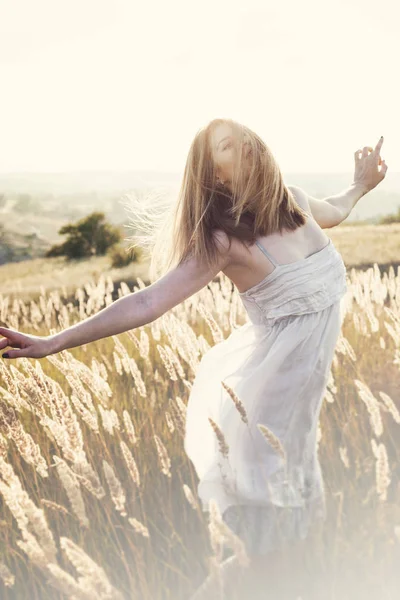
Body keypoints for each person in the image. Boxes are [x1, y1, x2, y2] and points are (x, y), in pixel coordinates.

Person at [0, 119, 387, 599]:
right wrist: (52, 341)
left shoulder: (298, 204)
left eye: (242, 137)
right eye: (226, 146)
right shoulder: (226, 242)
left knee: (290, 558)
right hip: (261, 422)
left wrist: (361, 185)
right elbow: (147, 302)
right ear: (217, 176)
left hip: (299, 422)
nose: (242, 145)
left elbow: (342, 209)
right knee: (262, 563)